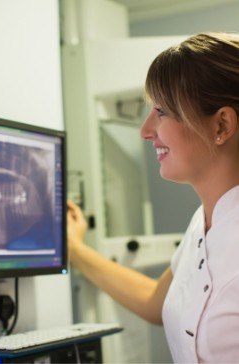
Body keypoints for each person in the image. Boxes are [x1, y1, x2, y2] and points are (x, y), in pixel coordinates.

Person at [67, 32, 239, 363]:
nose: (146, 131)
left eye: (161, 111)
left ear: (221, 125)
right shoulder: (203, 223)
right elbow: (155, 301)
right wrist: (76, 250)